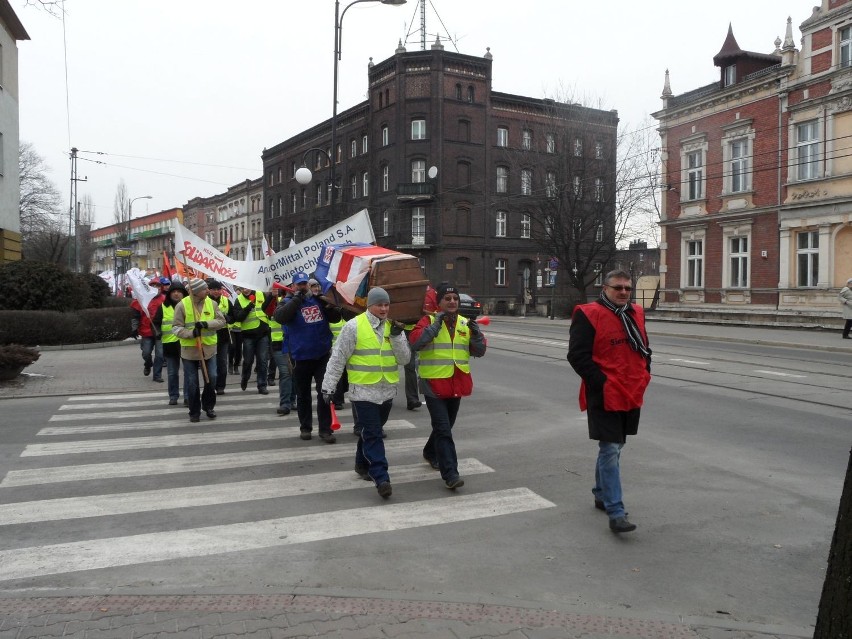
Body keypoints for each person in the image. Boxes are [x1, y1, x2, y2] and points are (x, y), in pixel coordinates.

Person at [567, 269, 652, 534]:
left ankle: (600, 493)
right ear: (605, 288)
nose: (624, 292)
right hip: (605, 391)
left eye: (627, 288)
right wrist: (601, 383)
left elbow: (644, 347)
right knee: (611, 447)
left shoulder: (636, 313)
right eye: (618, 288)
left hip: (631, 388)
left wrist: (645, 372)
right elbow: (577, 356)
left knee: (616, 446)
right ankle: (615, 511)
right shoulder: (587, 314)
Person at [322, 287, 411, 498]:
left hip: (387, 390)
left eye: (386, 305)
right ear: (369, 305)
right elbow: (338, 357)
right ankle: (381, 477)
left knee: (371, 431)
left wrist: (397, 337)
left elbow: (405, 359)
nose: (383, 308)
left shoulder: (393, 327)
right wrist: (328, 386)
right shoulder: (354, 326)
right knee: (373, 433)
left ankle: (361, 464)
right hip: (362, 391)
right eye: (379, 304)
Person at [409, 283, 486, 490]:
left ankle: (430, 451)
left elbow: (479, 351)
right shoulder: (428, 320)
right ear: (439, 302)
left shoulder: (464, 323)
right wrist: (435, 325)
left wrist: (477, 336)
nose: (452, 302)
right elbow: (415, 343)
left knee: (445, 426)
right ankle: (451, 473)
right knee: (443, 429)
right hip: (433, 384)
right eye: (447, 298)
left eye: (455, 298)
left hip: (456, 383)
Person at [273, 271, 342, 443]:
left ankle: (325, 430)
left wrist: (330, 305)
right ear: (293, 286)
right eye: (300, 284)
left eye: (306, 284)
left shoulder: (319, 300)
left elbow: (335, 318)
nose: (304, 287)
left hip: (321, 355)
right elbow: (280, 317)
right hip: (299, 357)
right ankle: (305, 427)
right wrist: (297, 298)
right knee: (303, 395)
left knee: (324, 392)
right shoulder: (287, 302)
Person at [172, 277, 226, 423]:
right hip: (190, 350)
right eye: (204, 289)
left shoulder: (212, 303)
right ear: (195, 292)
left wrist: (206, 324)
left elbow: (222, 322)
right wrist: (191, 333)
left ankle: (208, 406)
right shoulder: (182, 305)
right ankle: (194, 411)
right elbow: (176, 328)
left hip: (209, 348)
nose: (207, 290)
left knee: (212, 377)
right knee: (192, 382)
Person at [153, 280, 189, 406]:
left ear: (184, 293)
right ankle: (173, 396)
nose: (177, 294)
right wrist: (157, 332)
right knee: (172, 373)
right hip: (170, 345)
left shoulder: (189, 306)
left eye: (179, 291)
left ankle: (187, 396)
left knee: (188, 372)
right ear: (169, 294)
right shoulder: (163, 307)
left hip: (186, 344)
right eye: (174, 291)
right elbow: (155, 323)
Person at [232, 286, 271, 394]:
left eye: (247, 287)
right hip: (248, 336)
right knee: (248, 361)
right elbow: (238, 317)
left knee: (262, 361)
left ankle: (262, 385)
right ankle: (245, 378)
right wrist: (249, 306)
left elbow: (267, 307)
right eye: (242, 288)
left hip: (262, 334)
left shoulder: (260, 293)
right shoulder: (239, 299)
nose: (245, 290)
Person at [130, 277, 167, 382]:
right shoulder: (142, 299)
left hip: (160, 331)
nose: (156, 288)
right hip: (146, 331)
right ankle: (148, 363)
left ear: (161, 288)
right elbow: (135, 316)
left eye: (158, 286)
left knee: (160, 354)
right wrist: (134, 328)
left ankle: (157, 375)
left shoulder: (165, 300)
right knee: (146, 353)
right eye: (153, 286)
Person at [267, 285, 295, 415]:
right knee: (285, 373)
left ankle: (292, 400)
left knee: (294, 373)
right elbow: (265, 310)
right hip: (278, 343)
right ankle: (285, 404)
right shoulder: (275, 302)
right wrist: (271, 297)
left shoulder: (295, 302)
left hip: (294, 343)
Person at [206, 279, 234, 395]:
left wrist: (228, 318)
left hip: (223, 337)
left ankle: (221, 386)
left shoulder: (226, 301)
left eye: (218, 289)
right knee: (210, 364)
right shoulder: (204, 301)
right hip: (208, 337)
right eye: (214, 289)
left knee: (222, 363)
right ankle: (210, 385)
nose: (216, 292)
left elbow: (234, 317)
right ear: (209, 290)